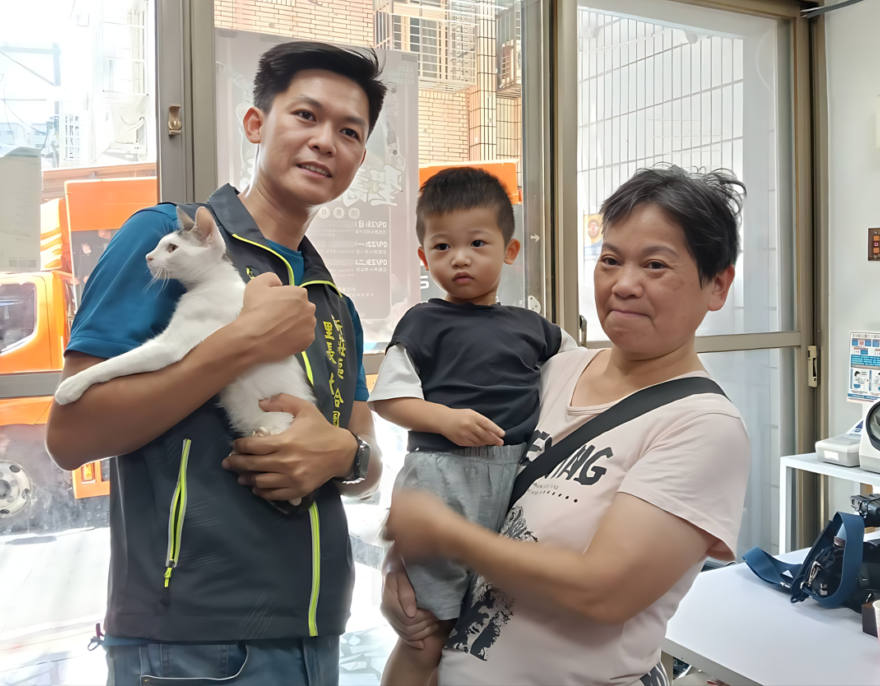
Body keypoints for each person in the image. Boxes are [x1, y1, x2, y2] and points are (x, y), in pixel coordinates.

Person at [46, 41, 387, 685]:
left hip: (317, 634)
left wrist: (346, 455)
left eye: (349, 132)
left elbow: (364, 456)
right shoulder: (164, 242)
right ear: (255, 124)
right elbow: (70, 434)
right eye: (306, 116)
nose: (326, 141)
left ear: (360, 159)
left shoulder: (332, 302)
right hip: (192, 644)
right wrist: (240, 344)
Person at [382, 166, 752, 686]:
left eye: (654, 265)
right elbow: (460, 476)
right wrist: (406, 573)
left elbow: (603, 592)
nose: (624, 284)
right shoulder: (552, 370)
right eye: (610, 260)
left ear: (717, 285)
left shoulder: (703, 427)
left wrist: (443, 535)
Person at [369, 168, 577, 686]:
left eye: (477, 243)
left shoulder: (535, 328)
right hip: (442, 479)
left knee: (490, 628)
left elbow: (583, 372)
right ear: (424, 258)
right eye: (442, 246)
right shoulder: (422, 322)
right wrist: (446, 420)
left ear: (509, 251)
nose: (459, 258)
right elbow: (389, 398)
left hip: (518, 481)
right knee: (425, 632)